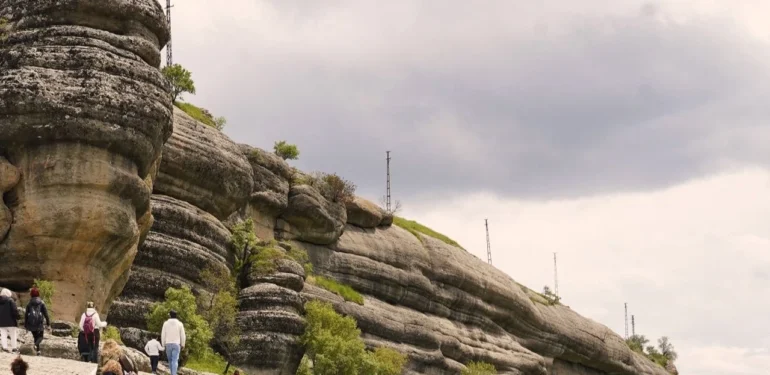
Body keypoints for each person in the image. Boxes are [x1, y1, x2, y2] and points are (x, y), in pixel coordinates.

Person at [24, 288, 50, 356]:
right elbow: (46, 314)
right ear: (38, 294)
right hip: (39, 322)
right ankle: (36, 346)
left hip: (31, 323)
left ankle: (38, 350)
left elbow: (26, 315)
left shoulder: (29, 303)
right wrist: (48, 324)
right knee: (40, 337)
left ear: (31, 294)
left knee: (35, 337)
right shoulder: (41, 302)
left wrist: (26, 325)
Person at [161, 310, 186, 375]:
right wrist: (183, 344)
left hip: (168, 344)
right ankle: (173, 374)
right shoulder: (180, 324)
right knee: (175, 360)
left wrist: (163, 344)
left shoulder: (165, 323)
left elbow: (163, 334)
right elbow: (183, 335)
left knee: (170, 361)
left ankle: (173, 373)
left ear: (170, 315)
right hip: (176, 344)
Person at [0, 288, 20, 353]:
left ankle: (4, 348)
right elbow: (14, 310)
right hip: (11, 321)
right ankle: (14, 348)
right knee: (13, 334)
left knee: (3, 334)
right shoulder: (10, 300)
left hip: (1, 321)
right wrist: (18, 317)